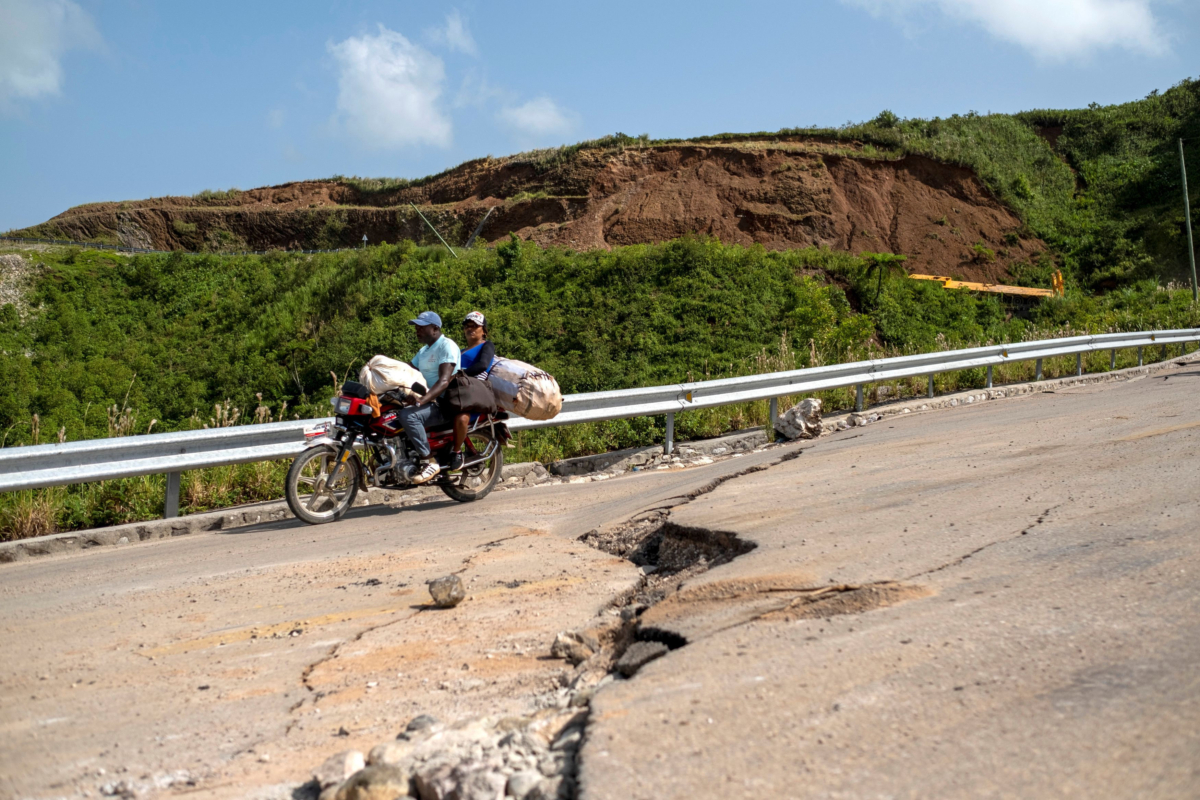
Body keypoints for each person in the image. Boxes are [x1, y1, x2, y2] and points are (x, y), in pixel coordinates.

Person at [401, 311, 460, 484]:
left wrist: (422, 399)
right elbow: (408, 371)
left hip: (444, 403)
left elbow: (443, 381)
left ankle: (429, 461)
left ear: (435, 328)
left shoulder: (446, 346)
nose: (417, 330)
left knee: (408, 416)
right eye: (416, 327)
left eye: (421, 327)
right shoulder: (424, 351)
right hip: (430, 401)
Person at [448, 311, 496, 469]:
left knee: (462, 418)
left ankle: (456, 452)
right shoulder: (460, 351)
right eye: (467, 326)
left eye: (475, 326)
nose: (470, 329)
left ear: (484, 330)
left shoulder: (486, 345)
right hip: (458, 390)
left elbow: (483, 365)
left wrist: (460, 375)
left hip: (474, 391)